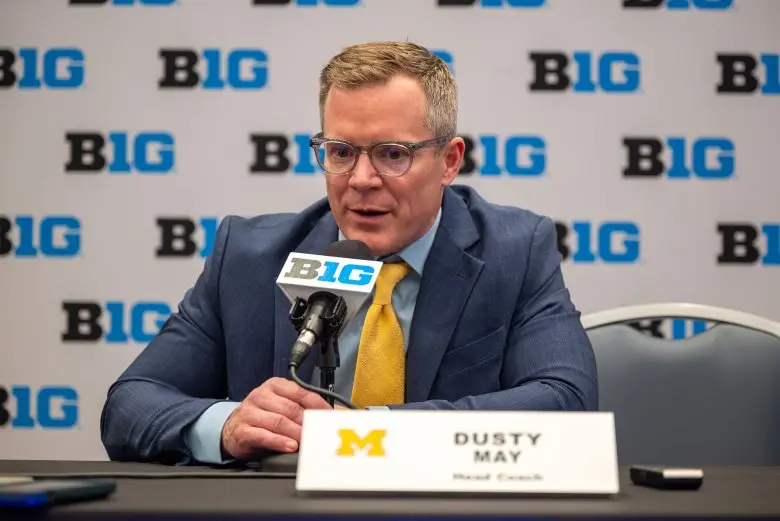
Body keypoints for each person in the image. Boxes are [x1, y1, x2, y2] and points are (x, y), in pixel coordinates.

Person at [100, 41, 598, 465]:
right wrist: (227, 425)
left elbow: (566, 401)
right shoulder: (249, 257)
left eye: (392, 154)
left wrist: (365, 433)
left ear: (449, 162)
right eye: (341, 152)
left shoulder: (515, 251)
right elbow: (130, 404)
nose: (361, 180)